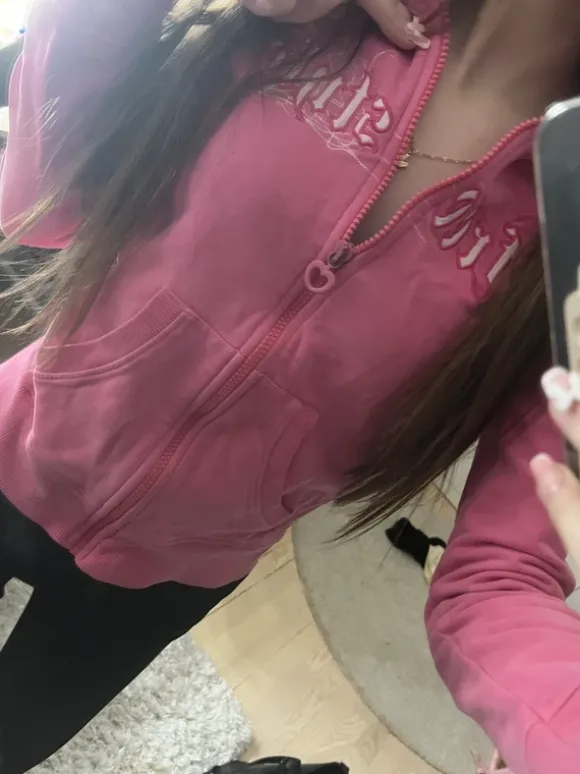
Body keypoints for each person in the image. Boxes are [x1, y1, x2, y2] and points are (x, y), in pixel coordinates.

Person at [0, 0, 579, 772]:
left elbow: (503, 575)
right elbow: (48, 188)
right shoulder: (317, 16)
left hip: (169, 580)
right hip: (19, 436)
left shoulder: (568, 217)